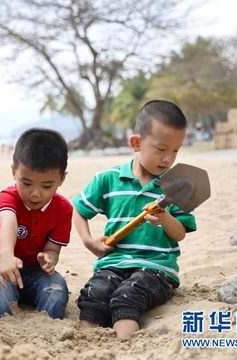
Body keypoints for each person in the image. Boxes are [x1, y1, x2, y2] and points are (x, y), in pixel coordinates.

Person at [72, 100, 197, 339]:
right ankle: (86, 344)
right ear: (136, 143)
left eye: (175, 150)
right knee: (95, 293)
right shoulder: (107, 179)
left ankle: (125, 344)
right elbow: (78, 210)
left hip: (156, 268)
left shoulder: (177, 184)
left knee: (127, 295)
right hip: (113, 263)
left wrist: (165, 218)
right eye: (161, 149)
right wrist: (89, 242)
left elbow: (180, 233)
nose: (168, 158)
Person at [0, 128, 72, 319]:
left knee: (57, 286)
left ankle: (48, 323)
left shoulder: (63, 209)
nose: (35, 193)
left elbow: (53, 249)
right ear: (14, 172)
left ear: (61, 179)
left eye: (46, 186)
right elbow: (8, 223)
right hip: (0, 269)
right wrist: (6, 257)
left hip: (37, 275)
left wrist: (49, 259)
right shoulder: (9, 198)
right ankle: (8, 322)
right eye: (27, 183)